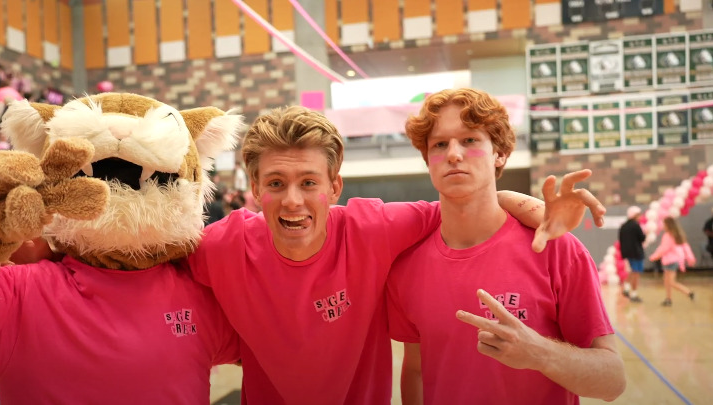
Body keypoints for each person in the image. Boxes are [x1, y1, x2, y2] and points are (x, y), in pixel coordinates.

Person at [187, 105, 607, 404]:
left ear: (334, 188)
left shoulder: (374, 229)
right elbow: (147, 255)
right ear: (255, 190)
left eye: (309, 182)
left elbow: (464, 205)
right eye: (275, 183)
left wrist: (529, 207)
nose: (293, 200)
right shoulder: (219, 245)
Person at [386, 88, 625, 404]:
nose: (453, 154)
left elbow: (612, 381)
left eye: (470, 140)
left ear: (499, 153)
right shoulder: (407, 266)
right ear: (429, 160)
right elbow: (415, 370)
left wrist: (541, 353)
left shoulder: (556, 249)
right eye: (440, 144)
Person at [650, 216, 696, 306]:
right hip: (672, 260)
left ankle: (689, 293)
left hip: (671, 261)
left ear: (668, 225)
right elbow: (686, 247)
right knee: (666, 281)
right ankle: (668, 299)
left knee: (671, 282)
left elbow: (664, 248)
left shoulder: (668, 236)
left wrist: (655, 256)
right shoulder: (677, 235)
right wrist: (690, 257)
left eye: (664, 224)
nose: (663, 226)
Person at [619, 206, 646, 302]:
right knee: (636, 273)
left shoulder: (623, 226)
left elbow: (621, 241)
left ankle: (626, 288)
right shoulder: (636, 225)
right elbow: (642, 238)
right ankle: (634, 294)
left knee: (632, 271)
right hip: (637, 253)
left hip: (628, 253)